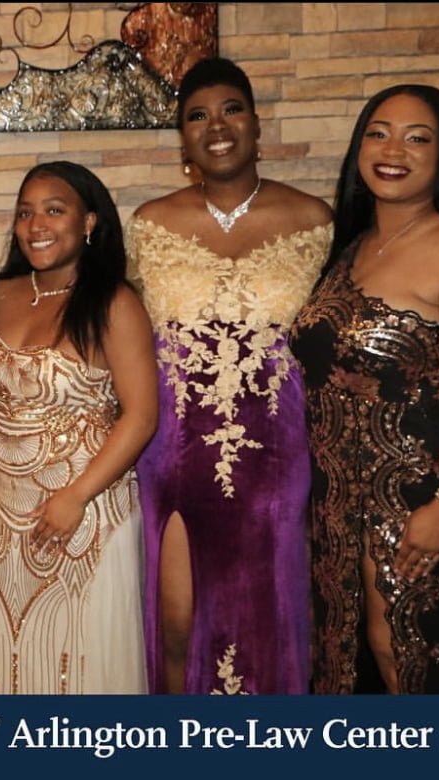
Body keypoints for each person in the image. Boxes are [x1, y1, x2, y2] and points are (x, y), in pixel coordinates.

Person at [290, 85, 439, 694]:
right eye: (379, 132)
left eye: (417, 137)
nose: (393, 149)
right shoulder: (352, 247)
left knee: (411, 660)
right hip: (341, 509)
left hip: (423, 502)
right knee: (355, 661)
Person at [126, 57, 333, 694]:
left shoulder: (314, 221)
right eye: (197, 115)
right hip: (172, 452)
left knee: (265, 617)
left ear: (256, 123)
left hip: (274, 457)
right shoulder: (149, 224)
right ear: (183, 139)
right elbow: (119, 335)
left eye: (231, 109)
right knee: (177, 622)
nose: (216, 125)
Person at [0, 161, 156, 694]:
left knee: (81, 663)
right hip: (1, 517)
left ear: (89, 221)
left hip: (85, 513)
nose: (36, 224)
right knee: (9, 661)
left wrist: (76, 495)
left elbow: (141, 416)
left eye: (54, 210)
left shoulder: (114, 302)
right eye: (25, 213)